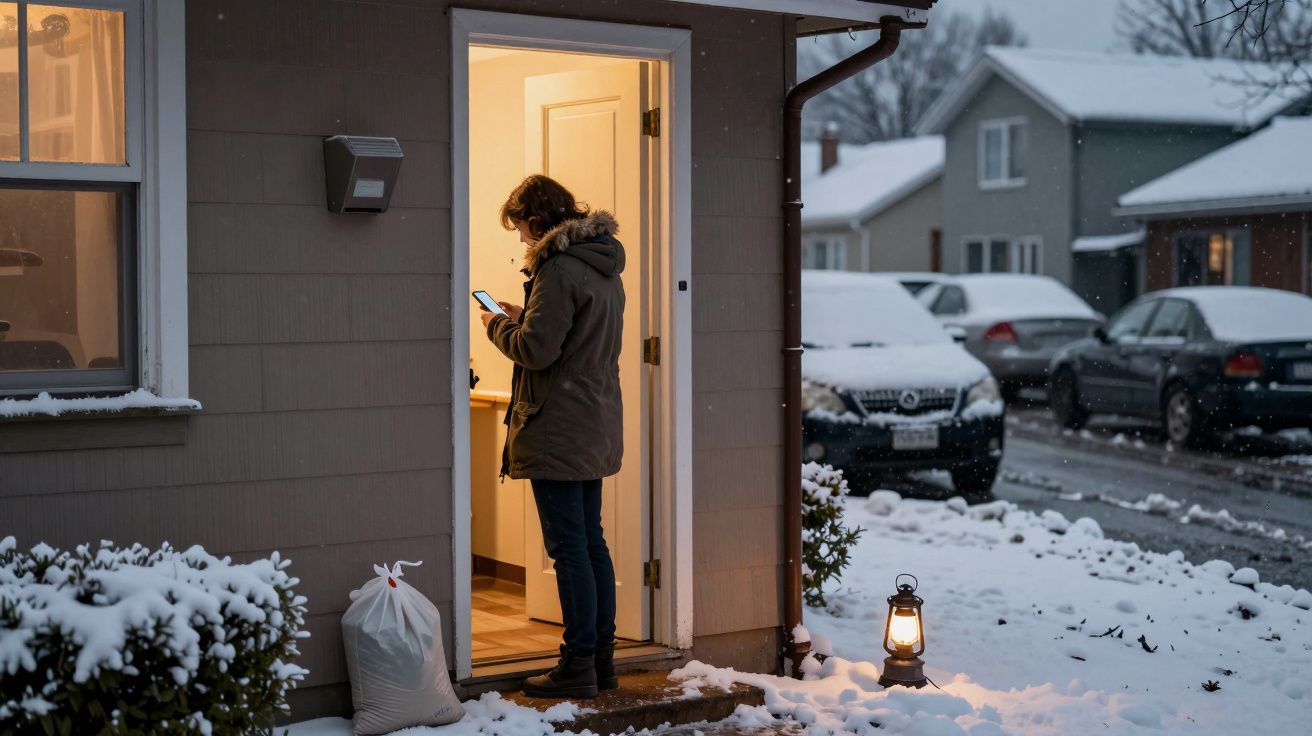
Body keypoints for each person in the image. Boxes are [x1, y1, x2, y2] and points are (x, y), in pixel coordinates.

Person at [480, 174, 624, 699]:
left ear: (536, 220)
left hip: (559, 423)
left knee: (569, 551)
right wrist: (526, 317)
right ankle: (601, 660)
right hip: (595, 417)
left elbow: (537, 352)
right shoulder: (601, 265)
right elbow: (569, 337)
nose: (520, 239)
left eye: (520, 227)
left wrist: (497, 325)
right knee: (591, 543)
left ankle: (577, 665)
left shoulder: (558, 268)